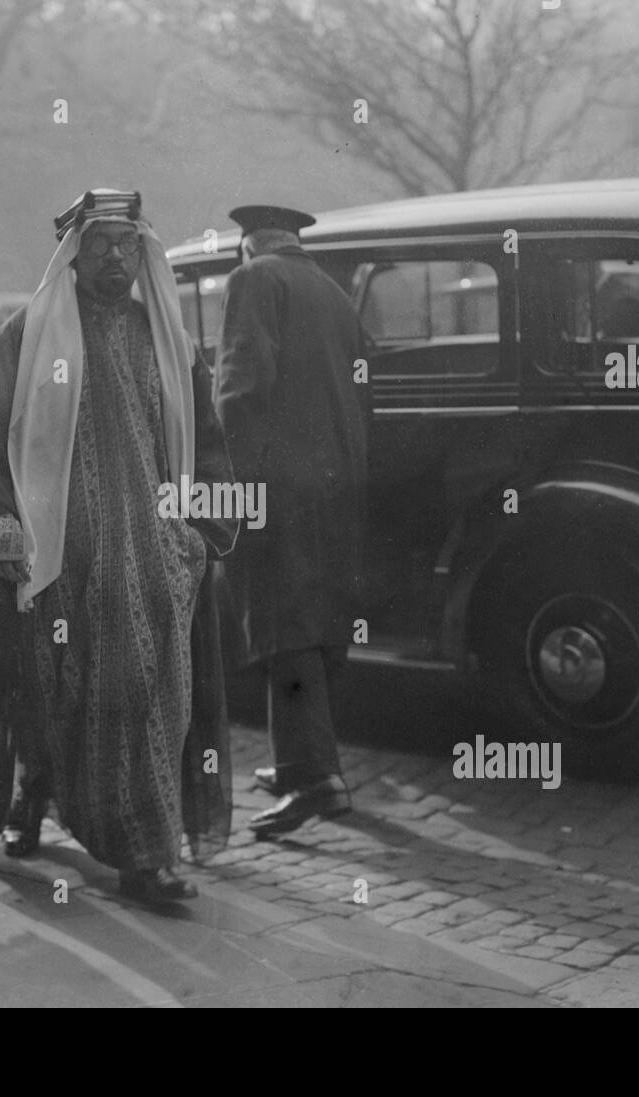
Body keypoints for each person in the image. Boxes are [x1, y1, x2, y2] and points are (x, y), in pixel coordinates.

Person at [0, 189, 238, 904]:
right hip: (59, 566)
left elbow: (209, 439)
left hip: (157, 565)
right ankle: (31, 799)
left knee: (152, 704)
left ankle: (144, 855)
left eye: (127, 245)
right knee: (53, 702)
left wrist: (202, 533)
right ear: (71, 257)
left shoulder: (164, 339)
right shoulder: (24, 338)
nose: (115, 258)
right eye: (99, 245)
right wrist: (2, 534)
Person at [214, 205, 369, 837]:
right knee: (320, 623)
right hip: (339, 483)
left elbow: (241, 387)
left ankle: (314, 780)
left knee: (284, 629)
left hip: (278, 487)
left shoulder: (252, 282)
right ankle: (295, 761)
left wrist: (237, 483)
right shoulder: (333, 291)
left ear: (246, 246)